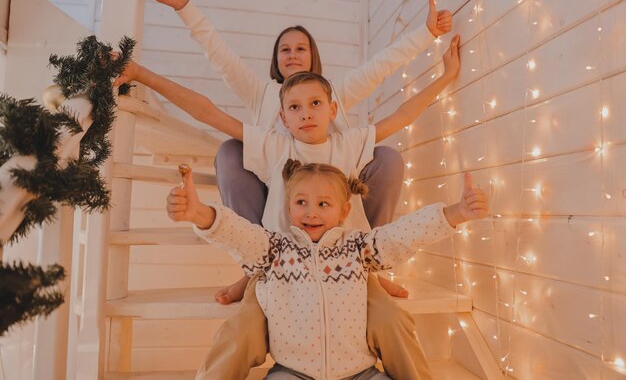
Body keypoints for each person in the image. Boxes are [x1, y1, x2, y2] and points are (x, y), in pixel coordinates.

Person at [114, 36, 460, 379]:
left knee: (394, 322)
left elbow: (404, 114)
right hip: (279, 267)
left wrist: (445, 77)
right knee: (236, 336)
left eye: (315, 104)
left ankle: (376, 280)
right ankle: (250, 276)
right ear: (282, 116)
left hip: (344, 264)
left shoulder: (350, 144)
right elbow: (207, 112)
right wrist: (143, 74)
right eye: (295, 107)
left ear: (333, 110)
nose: (305, 114)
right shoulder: (273, 147)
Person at [151, 0, 453, 305]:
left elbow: (383, 66)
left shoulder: (335, 94)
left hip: (330, 188)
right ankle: (256, 267)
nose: (293, 54)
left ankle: (369, 264)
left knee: (387, 157)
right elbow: (218, 55)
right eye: (285, 49)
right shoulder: (261, 94)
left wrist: (427, 35)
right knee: (230, 150)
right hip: (274, 188)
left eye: (300, 48)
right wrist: (183, 7)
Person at [166, 160, 489, 380]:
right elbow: (238, 234)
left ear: (344, 211)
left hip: (359, 371)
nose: (311, 212)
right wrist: (199, 213)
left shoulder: (357, 249)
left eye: (323, 204)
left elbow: (400, 236)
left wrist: (456, 213)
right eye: (301, 202)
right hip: (292, 371)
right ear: (288, 206)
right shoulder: (275, 249)